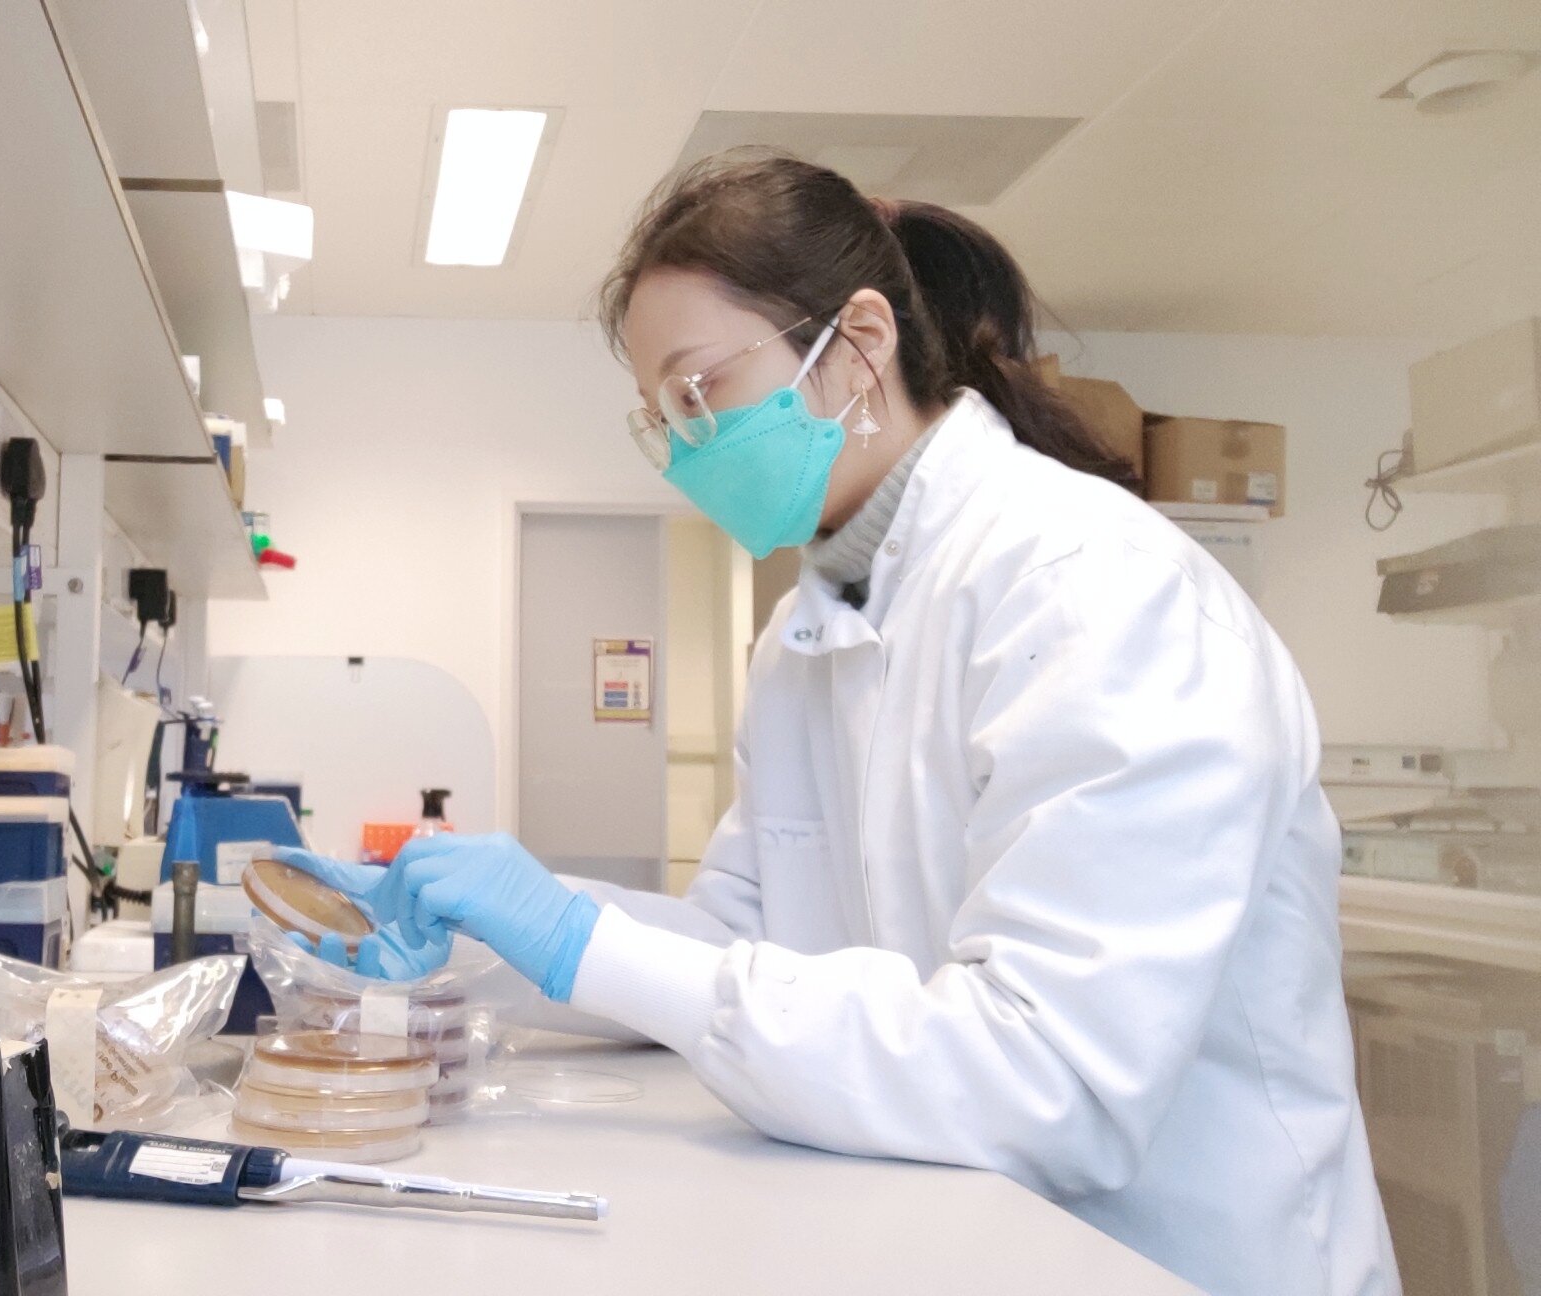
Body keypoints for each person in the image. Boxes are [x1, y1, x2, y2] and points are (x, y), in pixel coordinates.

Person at [282, 149, 1398, 1296]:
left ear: (860, 345)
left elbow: (1049, 1081)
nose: (687, 448)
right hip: (955, 1238)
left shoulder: (1097, 589)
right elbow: (731, 944)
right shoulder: (806, 635)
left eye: (700, 391)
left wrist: (579, 941)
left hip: (1180, 1260)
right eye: (663, 418)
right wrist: (488, 940)